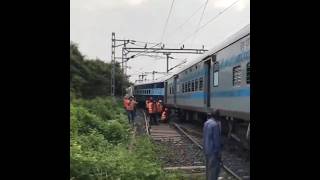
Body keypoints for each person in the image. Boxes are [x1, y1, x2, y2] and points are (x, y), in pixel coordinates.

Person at [203, 110, 222, 180]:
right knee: (213, 170)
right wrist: (218, 153)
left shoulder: (206, 123)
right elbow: (216, 140)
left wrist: (204, 148)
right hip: (213, 151)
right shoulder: (215, 125)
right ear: (217, 116)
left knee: (208, 169)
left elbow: (204, 137)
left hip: (206, 149)